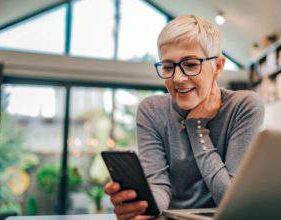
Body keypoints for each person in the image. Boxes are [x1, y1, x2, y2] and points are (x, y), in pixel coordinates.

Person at [104, 15, 264, 220]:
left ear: (218, 66)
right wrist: (141, 205)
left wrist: (197, 127)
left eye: (190, 64)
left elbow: (231, 200)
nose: (177, 78)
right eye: (168, 67)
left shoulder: (244, 106)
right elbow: (159, 185)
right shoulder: (151, 110)